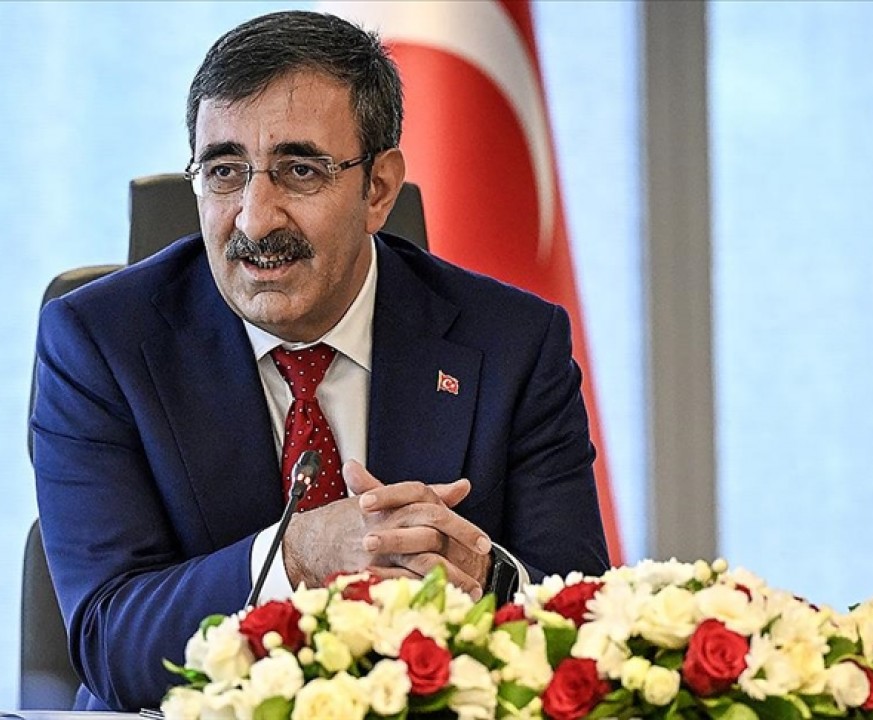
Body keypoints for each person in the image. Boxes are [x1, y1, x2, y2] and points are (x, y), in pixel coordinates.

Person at [31, 10, 609, 711]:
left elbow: (583, 619)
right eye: (224, 172)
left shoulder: (512, 343)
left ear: (378, 189)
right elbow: (110, 639)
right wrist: (296, 554)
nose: (255, 219)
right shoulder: (99, 343)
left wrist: (488, 579)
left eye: (299, 170)